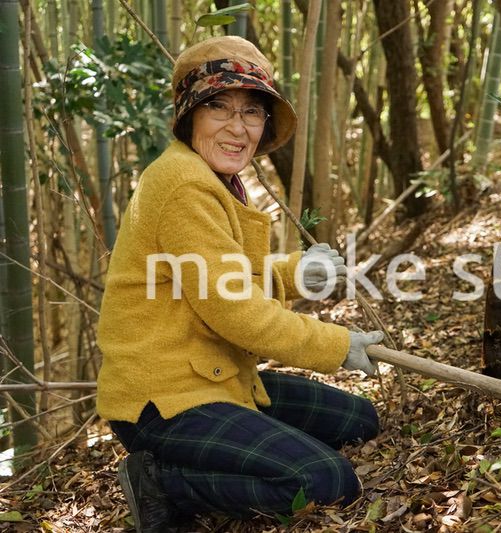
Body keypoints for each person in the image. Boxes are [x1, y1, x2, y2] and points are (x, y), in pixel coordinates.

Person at [96, 36, 384, 533]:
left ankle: (239, 449)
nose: (237, 127)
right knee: (324, 480)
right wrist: (335, 344)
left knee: (359, 420)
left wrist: (291, 273)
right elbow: (237, 312)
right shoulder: (184, 184)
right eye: (219, 107)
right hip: (163, 399)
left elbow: (223, 280)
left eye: (251, 111)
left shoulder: (215, 180)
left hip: (217, 378)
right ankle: (161, 483)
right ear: (190, 115)